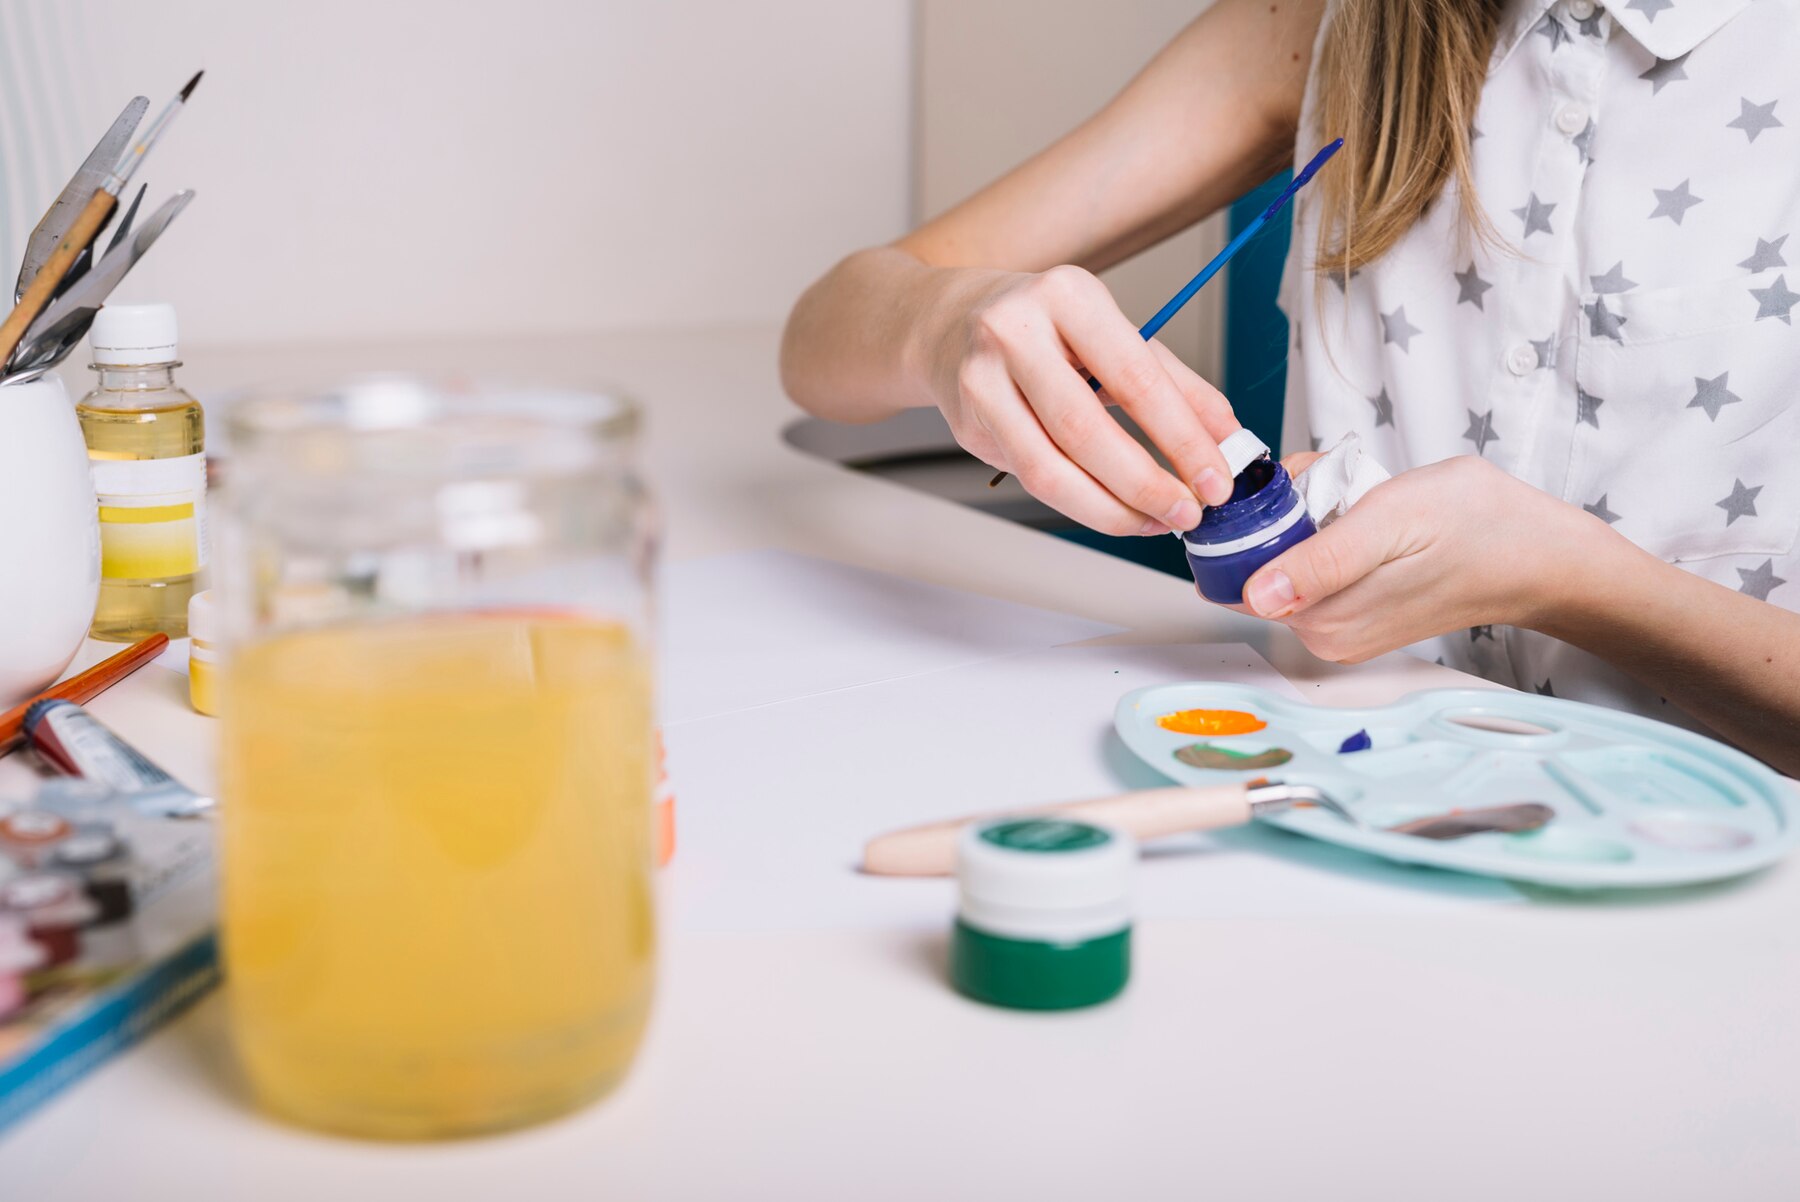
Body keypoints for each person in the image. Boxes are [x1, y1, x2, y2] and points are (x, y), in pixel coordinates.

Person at [781, 0, 1800, 772]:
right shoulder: (1337, 23)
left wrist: (1576, 580)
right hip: (1332, 826)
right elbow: (820, 343)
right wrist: (943, 323)